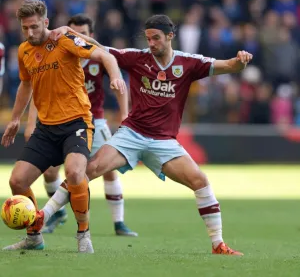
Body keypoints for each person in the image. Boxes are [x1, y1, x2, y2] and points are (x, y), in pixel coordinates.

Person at [32, 14, 253, 255]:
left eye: (156, 38)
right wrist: (70, 33)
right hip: (132, 134)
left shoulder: (188, 63)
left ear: (170, 37)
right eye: (148, 38)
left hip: (163, 141)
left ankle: (218, 244)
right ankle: (44, 215)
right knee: (88, 171)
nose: (151, 43)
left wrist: (240, 61)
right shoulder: (137, 58)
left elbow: (229, 65)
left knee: (200, 181)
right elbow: (101, 48)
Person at [1, 0, 126, 253]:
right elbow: (26, 85)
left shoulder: (64, 40)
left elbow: (105, 55)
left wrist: (114, 76)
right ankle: (34, 235)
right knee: (17, 181)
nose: (30, 33)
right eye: (25, 28)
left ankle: (83, 233)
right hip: (46, 129)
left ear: (46, 22)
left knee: (75, 173)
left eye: (34, 27)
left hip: (76, 123)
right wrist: (16, 118)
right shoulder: (24, 50)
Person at [24, 14, 137, 236]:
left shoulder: (96, 57)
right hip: (63, 121)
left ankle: (119, 222)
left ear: (90, 35)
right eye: (72, 32)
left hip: (95, 119)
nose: (77, 36)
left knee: (108, 171)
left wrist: (125, 113)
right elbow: (39, 90)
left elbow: (118, 82)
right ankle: (58, 213)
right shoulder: (58, 54)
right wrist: (30, 123)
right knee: (49, 172)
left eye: (82, 33)